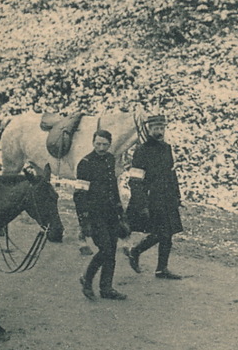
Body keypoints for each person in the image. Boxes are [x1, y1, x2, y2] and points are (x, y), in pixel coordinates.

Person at [125, 114, 184, 279]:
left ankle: (160, 268)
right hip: (151, 198)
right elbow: (135, 180)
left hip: (167, 197)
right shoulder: (141, 151)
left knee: (168, 232)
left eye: (161, 128)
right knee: (161, 232)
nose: (159, 132)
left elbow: (172, 175)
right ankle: (136, 252)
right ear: (149, 130)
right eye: (155, 129)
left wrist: (177, 196)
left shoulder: (167, 148)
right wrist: (141, 203)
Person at [78, 130, 129, 300]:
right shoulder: (85, 163)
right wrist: (84, 221)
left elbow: (113, 187)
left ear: (110, 145)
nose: (101, 147)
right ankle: (87, 281)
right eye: (98, 143)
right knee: (105, 249)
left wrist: (120, 210)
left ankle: (106, 288)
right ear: (93, 142)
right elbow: (80, 195)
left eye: (104, 144)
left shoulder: (110, 159)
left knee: (111, 250)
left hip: (111, 214)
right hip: (94, 214)